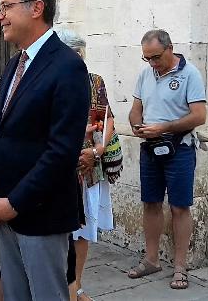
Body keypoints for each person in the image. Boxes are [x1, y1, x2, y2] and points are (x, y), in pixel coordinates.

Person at [0, 0, 90, 301]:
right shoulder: (14, 64)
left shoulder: (67, 66)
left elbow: (61, 151)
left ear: (36, 7)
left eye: (5, 7)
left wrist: (15, 203)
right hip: (3, 208)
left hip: (39, 212)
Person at [128, 29, 206, 290]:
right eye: (147, 58)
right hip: (150, 148)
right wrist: (138, 125)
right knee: (150, 203)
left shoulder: (190, 74)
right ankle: (151, 260)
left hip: (179, 149)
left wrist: (164, 128)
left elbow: (199, 116)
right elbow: (135, 108)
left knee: (179, 207)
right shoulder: (145, 74)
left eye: (156, 57)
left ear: (170, 48)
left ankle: (181, 266)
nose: (152, 64)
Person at [57, 28, 117, 301]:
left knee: (83, 231)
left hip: (89, 165)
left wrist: (99, 148)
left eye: (80, 53)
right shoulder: (49, 80)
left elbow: (106, 118)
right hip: (58, 166)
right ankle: (58, 285)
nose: (78, 58)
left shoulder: (95, 81)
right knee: (59, 231)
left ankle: (76, 286)